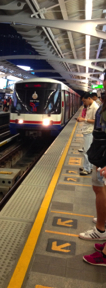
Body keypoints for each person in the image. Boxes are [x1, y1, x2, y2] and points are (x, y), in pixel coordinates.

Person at [80, 88, 106, 264]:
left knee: (99, 188)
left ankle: (101, 232)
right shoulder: (102, 107)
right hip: (101, 155)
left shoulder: (98, 108)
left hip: (103, 156)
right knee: (99, 188)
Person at [77, 92, 98, 175]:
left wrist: (84, 120)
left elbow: (96, 121)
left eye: (84, 101)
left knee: (87, 151)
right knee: (88, 150)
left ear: (89, 98)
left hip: (90, 131)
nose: (84, 103)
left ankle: (87, 169)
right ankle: (87, 166)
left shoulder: (95, 107)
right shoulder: (90, 106)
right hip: (86, 130)